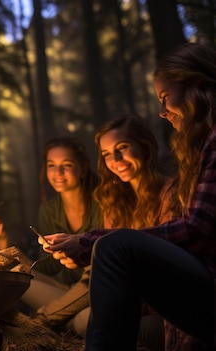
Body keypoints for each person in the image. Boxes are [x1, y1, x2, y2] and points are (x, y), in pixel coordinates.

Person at [44, 43, 216, 350]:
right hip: (163, 302)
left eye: (165, 98)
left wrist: (89, 241)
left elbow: (195, 234)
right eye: (108, 154)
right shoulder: (114, 200)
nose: (162, 112)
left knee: (112, 253)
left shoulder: (175, 187)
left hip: (175, 307)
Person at [72, 114, 177, 350]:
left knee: (88, 322)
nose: (115, 159)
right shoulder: (116, 201)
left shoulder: (171, 194)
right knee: (84, 320)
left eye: (122, 148)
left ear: (145, 146)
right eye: (107, 154)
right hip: (127, 305)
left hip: (165, 314)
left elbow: (167, 273)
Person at [3, 137, 101, 335]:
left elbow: (100, 272)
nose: (58, 173)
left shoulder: (102, 203)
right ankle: (64, 318)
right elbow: (49, 267)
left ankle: (61, 320)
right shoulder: (49, 210)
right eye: (51, 165)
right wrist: (20, 259)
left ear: (82, 169)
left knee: (86, 320)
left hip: (96, 292)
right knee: (14, 277)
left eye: (67, 165)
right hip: (65, 291)